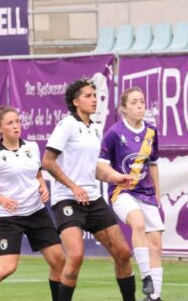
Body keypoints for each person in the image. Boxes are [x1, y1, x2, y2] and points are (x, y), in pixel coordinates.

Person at [42, 77, 137, 301]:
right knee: (75, 257)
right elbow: (47, 161)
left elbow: (95, 168)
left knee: (123, 253)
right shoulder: (67, 125)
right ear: (76, 102)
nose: (94, 100)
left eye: (95, 96)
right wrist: (73, 187)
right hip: (67, 200)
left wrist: (116, 177)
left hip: (93, 199)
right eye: (88, 96)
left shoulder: (95, 128)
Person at [0, 106, 65, 301]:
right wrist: (2, 199)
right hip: (10, 218)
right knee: (7, 267)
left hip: (37, 212)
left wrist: (43, 186)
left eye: (18, 121)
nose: (16, 126)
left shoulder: (32, 147)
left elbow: (37, 175)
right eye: (10, 123)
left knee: (59, 261)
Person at [98, 87, 164, 301]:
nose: (139, 106)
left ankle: (154, 297)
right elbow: (100, 167)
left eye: (142, 102)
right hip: (121, 191)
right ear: (123, 109)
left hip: (146, 192)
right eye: (134, 102)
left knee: (156, 244)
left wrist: (157, 193)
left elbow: (152, 164)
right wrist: (118, 177)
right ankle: (146, 278)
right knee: (138, 223)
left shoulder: (151, 132)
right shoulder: (114, 133)